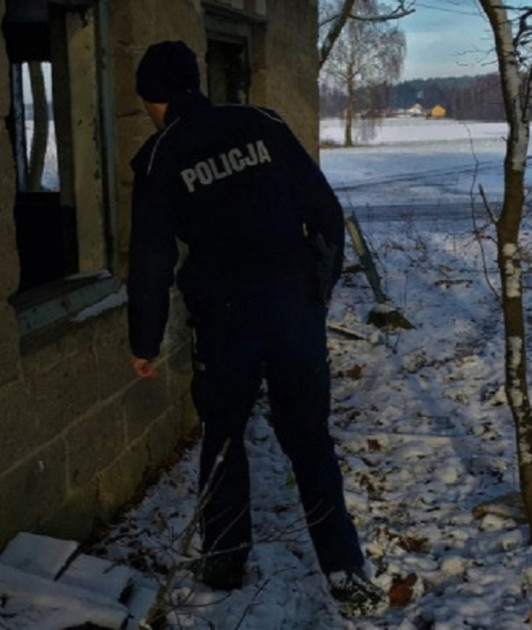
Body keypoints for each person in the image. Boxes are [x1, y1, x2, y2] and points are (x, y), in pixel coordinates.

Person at [125, 40, 388, 618]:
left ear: (155, 99)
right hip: (293, 308)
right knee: (309, 438)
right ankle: (344, 567)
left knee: (223, 434)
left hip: (224, 320)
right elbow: (323, 211)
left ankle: (223, 558)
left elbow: (149, 262)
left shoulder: (159, 158)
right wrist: (315, 294)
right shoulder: (262, 125)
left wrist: (143, 342)